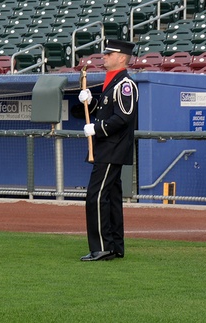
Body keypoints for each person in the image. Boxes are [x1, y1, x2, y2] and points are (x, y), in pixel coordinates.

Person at [79, 38, 138, 261]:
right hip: (107, 147)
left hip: (112, 148)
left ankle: (101, 247)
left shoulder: (125, 85)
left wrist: (96, 128)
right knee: (111, 197)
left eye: (109, 54)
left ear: (121, 58)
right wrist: (91, 102)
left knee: (95, 196)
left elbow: (122, 118)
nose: (104, 56)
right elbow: (106, 111)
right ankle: (114, 246)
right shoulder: (112, 82)